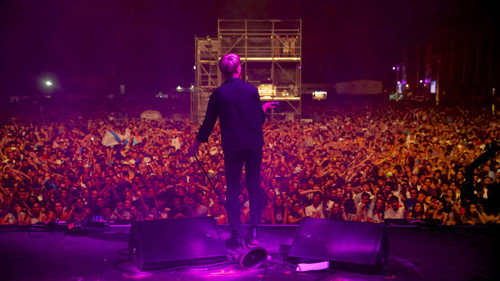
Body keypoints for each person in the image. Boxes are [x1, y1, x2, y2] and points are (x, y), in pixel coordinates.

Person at [189, 53, 276, 247]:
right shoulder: (252, 91)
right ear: (239, 69)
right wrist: (263, 108)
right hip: (254, 145)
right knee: (253, 187)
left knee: (233, 191)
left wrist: (196, 144)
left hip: (233, 147)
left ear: (222, 73)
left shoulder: (218, 94)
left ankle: (235, 234)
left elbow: (208, 124)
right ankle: (254, 232)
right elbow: (259, 121)